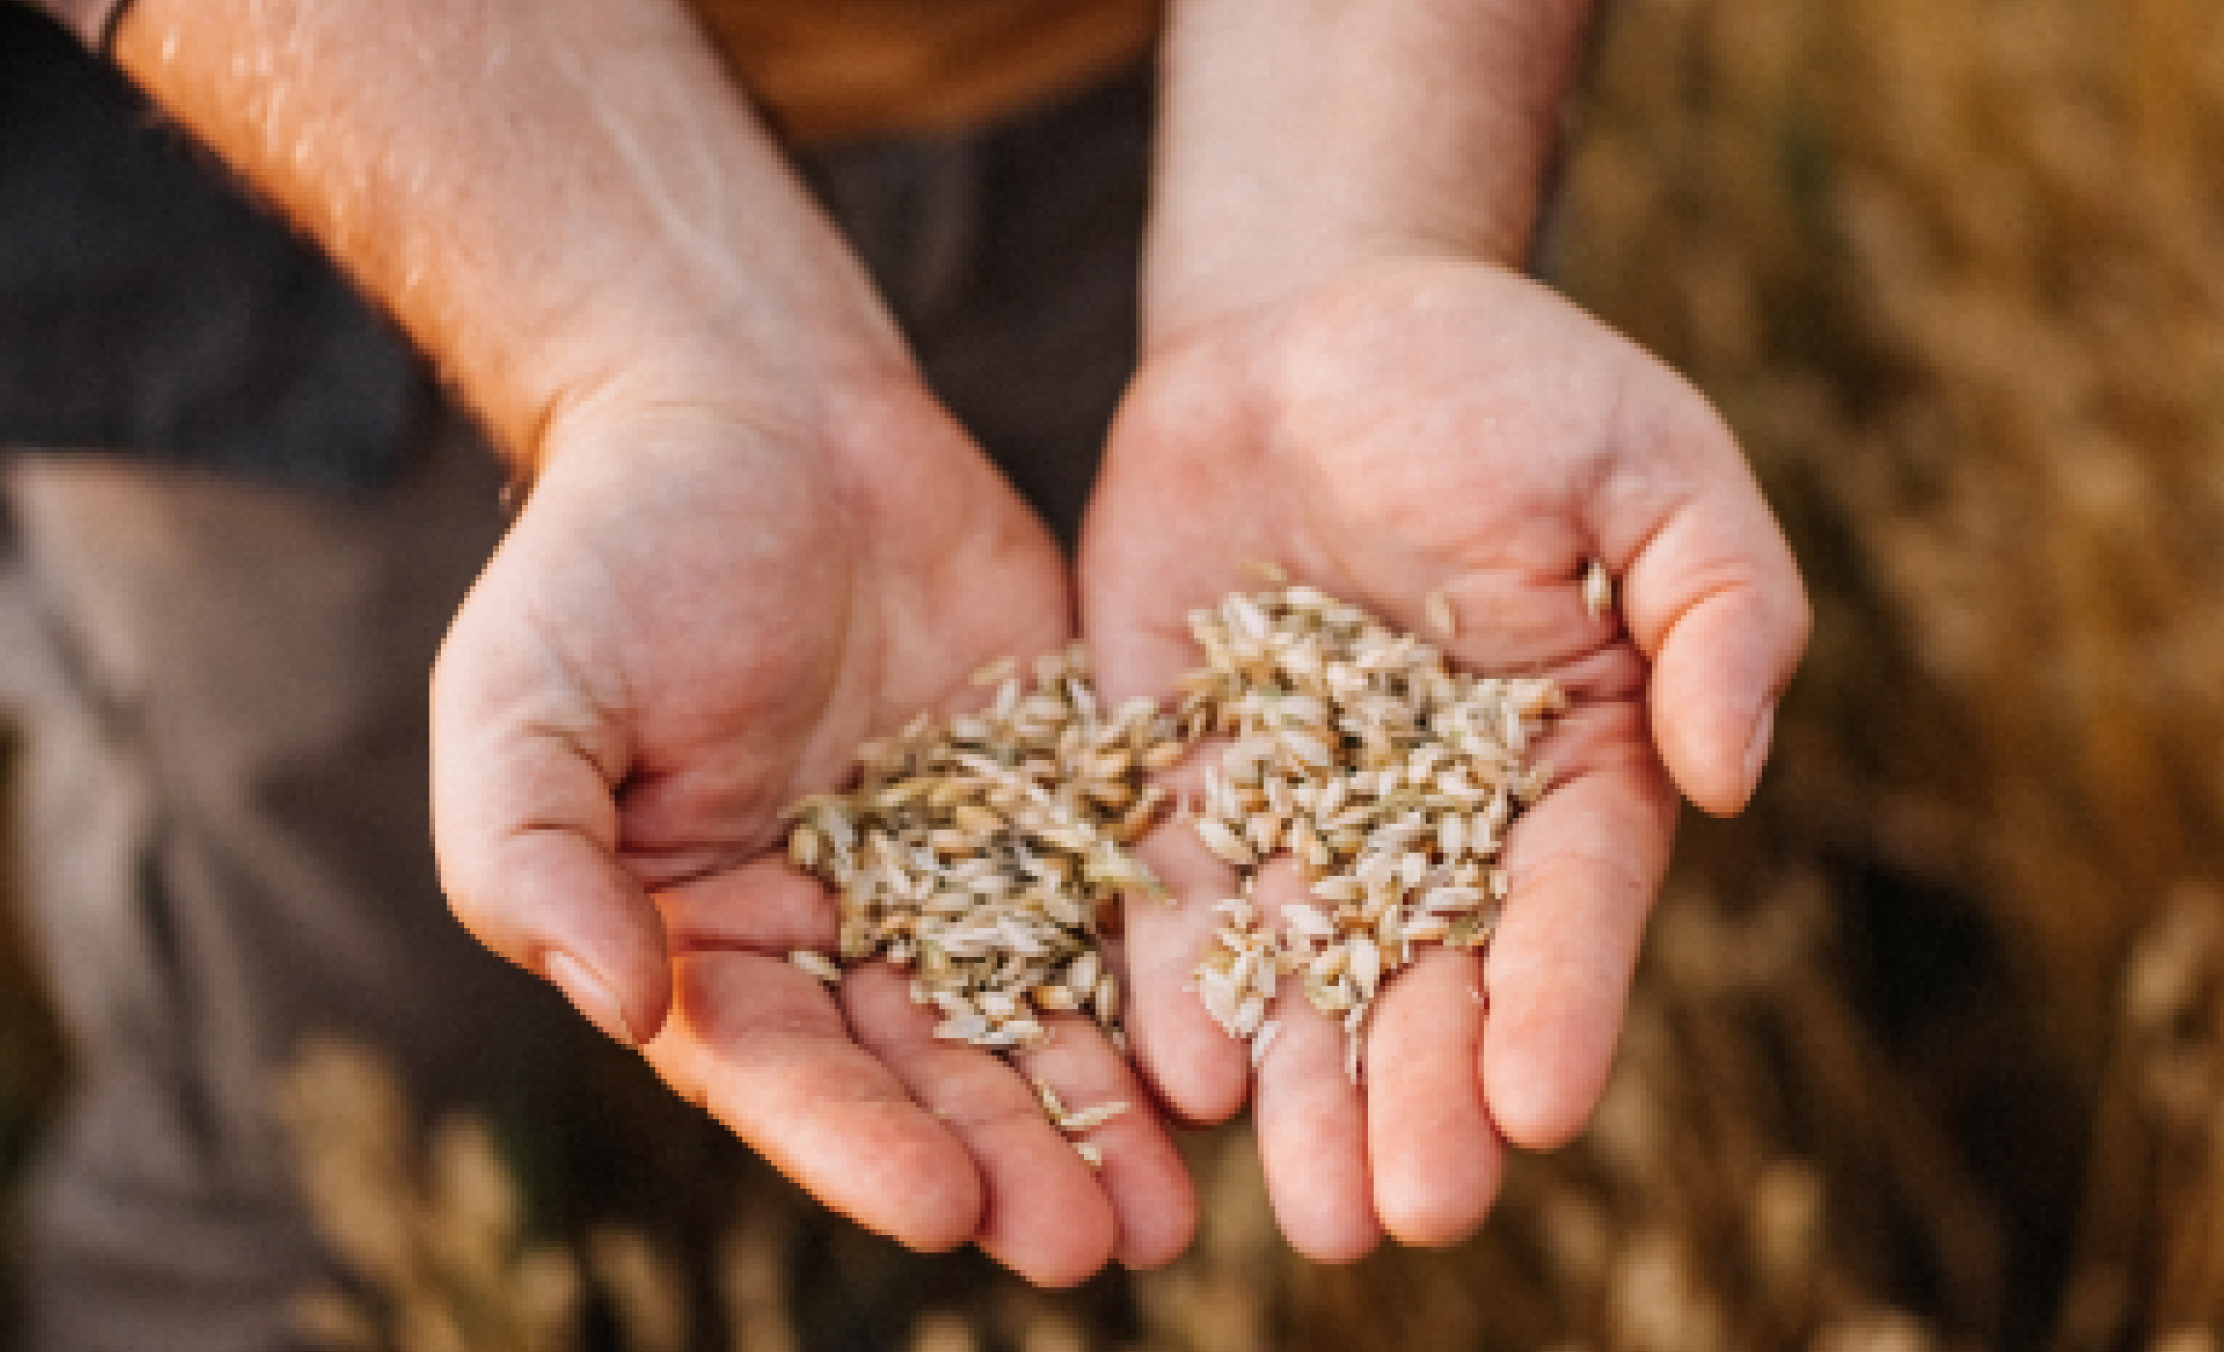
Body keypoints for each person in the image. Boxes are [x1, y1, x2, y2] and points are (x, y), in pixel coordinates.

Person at [5, 0, 1810, 1342]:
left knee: (1164, 1102)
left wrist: (1362, 225)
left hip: (1236, 89)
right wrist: (628, 332)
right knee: (298, 1120)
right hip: (318, 147)